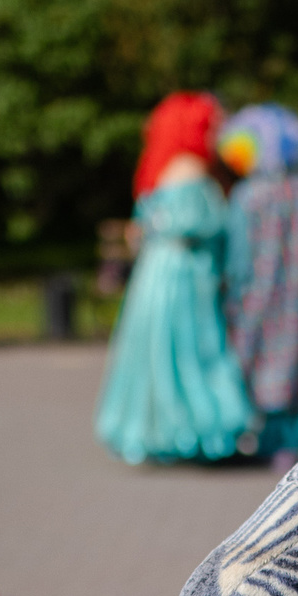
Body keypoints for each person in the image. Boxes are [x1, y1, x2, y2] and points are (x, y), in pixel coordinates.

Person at [93, 93, 255, 464]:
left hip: (161, 271)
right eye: (212, 125)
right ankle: (197, 430)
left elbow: (147, 223)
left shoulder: (165, 166)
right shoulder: (191, 168)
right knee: (192, 353)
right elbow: (196, 224)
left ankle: (165, 432)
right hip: (185, 274)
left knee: (161, 354)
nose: (219, 133)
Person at [219, 105, 298, 471]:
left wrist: (232, 293)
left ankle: (278, 442)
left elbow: (239, 258)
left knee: (268, 364)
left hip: (266, 297)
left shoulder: (249, 195)